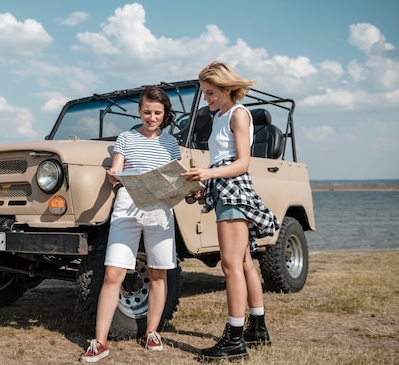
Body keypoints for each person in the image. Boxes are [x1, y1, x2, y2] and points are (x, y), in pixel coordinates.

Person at [182, 61, 279, 361]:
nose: (207, 99)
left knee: (230, 266)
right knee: (245, 262)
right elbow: (221, 161)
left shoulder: (238, 114)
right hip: (223, 188)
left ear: (226, 88)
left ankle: (234, 339)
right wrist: (203, 183)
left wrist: (208, 175)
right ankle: (257, 328)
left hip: (234, 191)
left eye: (211, 93)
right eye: (205, 93)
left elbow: (242, 163)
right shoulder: (220, 117)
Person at [79, 86, 182, 363]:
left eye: (157, 113)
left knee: (159, 274)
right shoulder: (125, 138)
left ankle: (152, 332)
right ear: (139, 110)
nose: (151, 117)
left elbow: (175, 178)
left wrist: (189, 187)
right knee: (113, 274)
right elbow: (116, 172)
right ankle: (100, 342)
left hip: (160, 210)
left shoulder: (171, 143)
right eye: (147, 112)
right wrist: (113, 175)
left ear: (164, 114)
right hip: (127, 206)